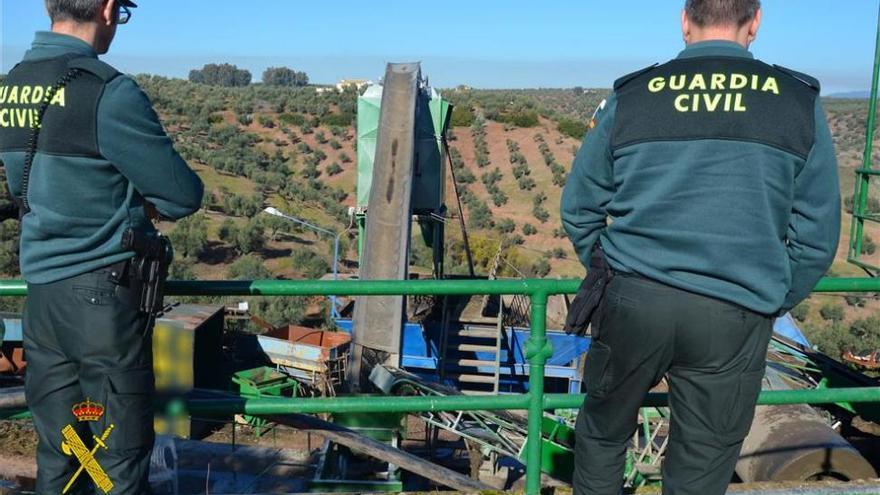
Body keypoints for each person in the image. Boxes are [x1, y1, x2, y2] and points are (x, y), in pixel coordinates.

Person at [561, 1, 840, 494]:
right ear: (754, 23)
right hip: (735, 312)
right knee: (703, 464)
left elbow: (580, 206)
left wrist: (613, 277)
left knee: (603, 438)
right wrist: (769, 296)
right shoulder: (797, 102)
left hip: (634, 301)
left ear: (685, 22)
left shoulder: (635, 95)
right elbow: (816, 235)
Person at [0, 1, 204, 493]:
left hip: (43, 297)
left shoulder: (10, 87)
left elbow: (20, 188)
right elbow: (181, 195)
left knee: (64, 446)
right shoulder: (108, 91)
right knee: (117, 454)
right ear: (108, 10)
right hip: (104, 306)